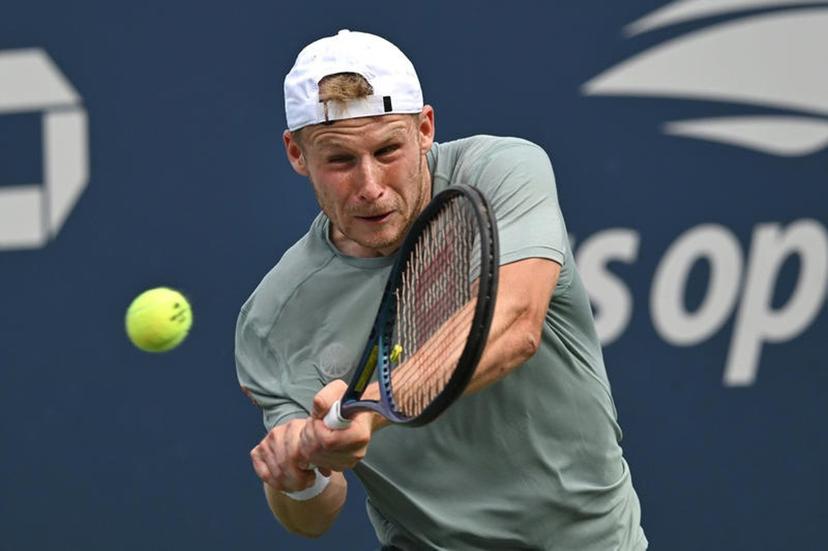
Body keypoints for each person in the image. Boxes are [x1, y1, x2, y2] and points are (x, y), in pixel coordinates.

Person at [236, 29, 648, 550]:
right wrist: (298, 476)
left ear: (425, 129)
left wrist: (368, 408)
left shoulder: (501, 172)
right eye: (339, 161)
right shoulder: (273, 319)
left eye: (388, 150)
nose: (369, 185)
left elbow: (513, 325)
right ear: (297, 154)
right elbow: (313, 516)